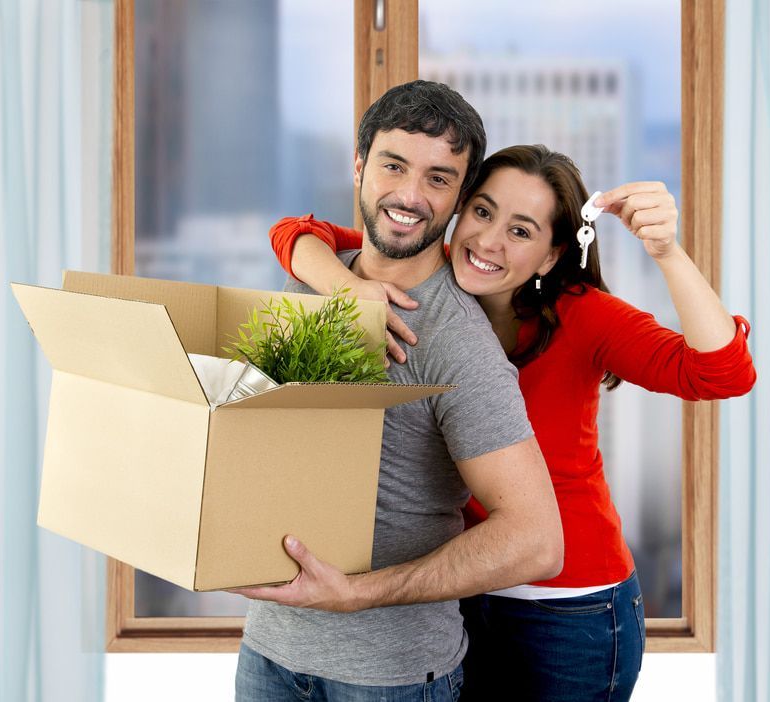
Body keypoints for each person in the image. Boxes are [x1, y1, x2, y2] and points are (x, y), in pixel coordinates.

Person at [269, 145, 757, 701]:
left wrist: (667, 252)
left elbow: (723, 374)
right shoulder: (440, 274)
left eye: (521, 231)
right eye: (482, 212)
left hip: (569, 609)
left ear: (551, 257)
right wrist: (348, 289)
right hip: (465, 589)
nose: (489, 241)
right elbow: (296, 233)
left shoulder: (583, 314)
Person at [229, 81, 565, 701]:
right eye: (393, 166)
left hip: (390, 676)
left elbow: (537, 541)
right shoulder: (310, 290)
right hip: (268, 649)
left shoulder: (457, 342)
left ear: (461, 198)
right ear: (359, 167)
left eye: (439, 179)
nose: (410, 196)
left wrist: (357, 593)